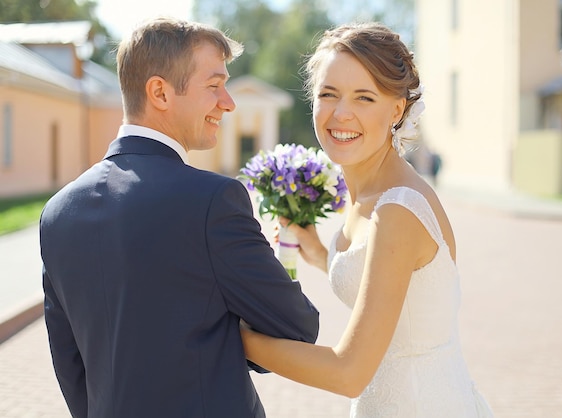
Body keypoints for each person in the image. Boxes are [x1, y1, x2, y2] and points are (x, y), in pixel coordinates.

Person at [39, 17, 319, 418]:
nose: (228, 101)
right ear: (160, 93)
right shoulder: (212, 200)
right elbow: (298, 326)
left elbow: (69, 362)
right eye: (213, 85)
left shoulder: (57, 212)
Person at [240, 22, 493, 417]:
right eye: (329, 94)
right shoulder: (371, 195)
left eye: (363, 98)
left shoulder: (398, 210)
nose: (341, 113)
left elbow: (348, 372)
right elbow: (390, 288)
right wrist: (321, 255)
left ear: (397, 109)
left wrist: (237, 339)